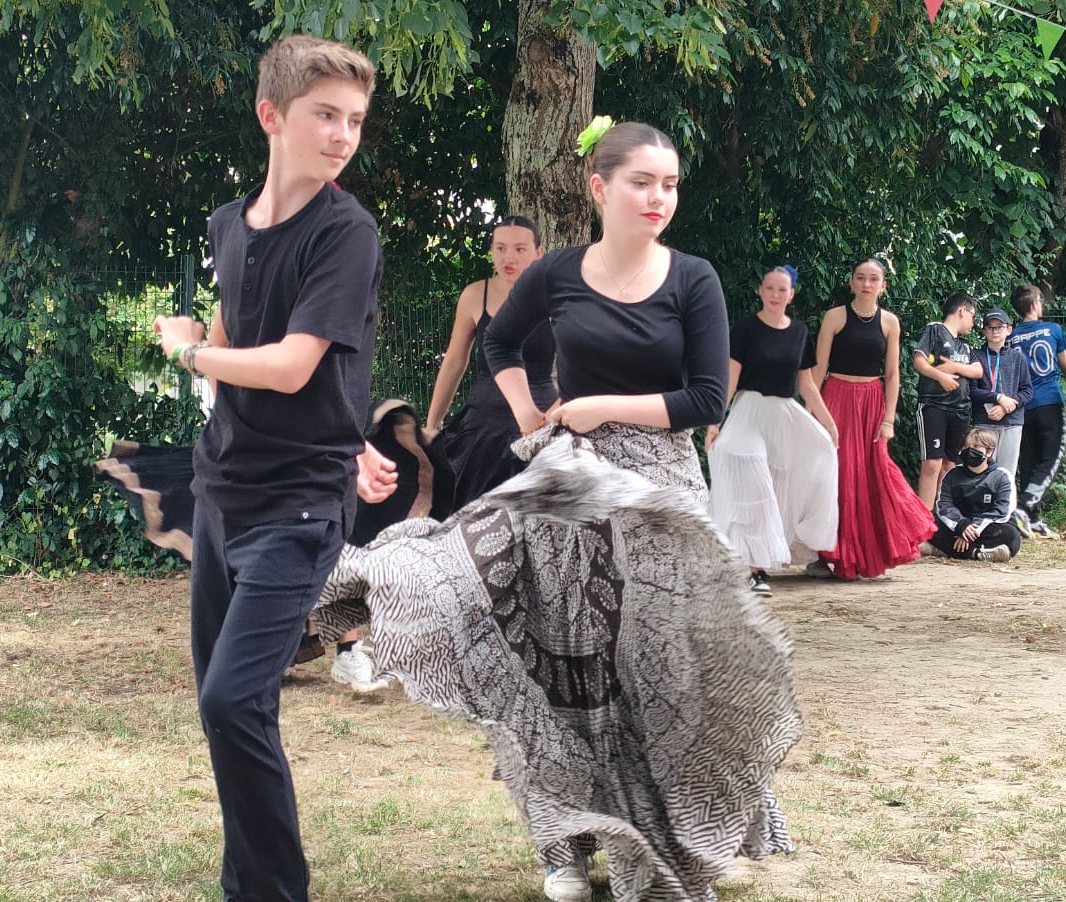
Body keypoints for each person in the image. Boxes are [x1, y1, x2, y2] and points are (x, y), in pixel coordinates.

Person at [314, 120, 800, 902]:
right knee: (557, 668)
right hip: (570, 482)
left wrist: (598, 406)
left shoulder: (693, 279)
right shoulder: (558, 273)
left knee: (662, 674)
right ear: (600, 187)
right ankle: (563, 848)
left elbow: (706, 398)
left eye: (670, 184)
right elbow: (500, 347)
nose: (660, 197)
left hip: (662, 490)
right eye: (642, 181)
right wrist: (531, 417)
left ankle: (681, 841)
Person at [148, 36, 399, 902]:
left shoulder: (346, 232)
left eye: (354, 120)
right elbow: (239, 347)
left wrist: (188, 355)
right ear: (272, 116)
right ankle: (248, 883)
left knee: (230, 700)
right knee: (231, 708)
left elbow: (291, 365)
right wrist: (203, 343)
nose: (343, 136)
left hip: (298, 506)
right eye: (325, 115)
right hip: (222, 490)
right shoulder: (229, 224)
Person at [706, 265, 839, 597]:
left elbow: (806, 383)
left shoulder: (800, 332)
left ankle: (760, 562)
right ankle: (754, 569)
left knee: (799, 470)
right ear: (761, 291)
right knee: (755, 478)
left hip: (783, 414)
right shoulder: (745, 329)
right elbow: (730, 379)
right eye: (770, 288)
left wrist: (827, 423)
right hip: (749, 412)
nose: (776, 295)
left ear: (791, 294)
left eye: (782, 289)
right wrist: (715, 422)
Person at [811, 258, 936, 580]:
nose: (866, 283)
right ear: (851, 282)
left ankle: (869, 556)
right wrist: (812, 411)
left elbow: (892, 375)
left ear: (883, 285)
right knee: (835, 474)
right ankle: (826, 554)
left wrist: (888, 419)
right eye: (860, 277)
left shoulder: (890, 322)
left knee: (873, 474)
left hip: (871, 403)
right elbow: (819, 367)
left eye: (873, 278)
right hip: (835, 399)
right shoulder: (834, 317)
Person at [423, 216, 553, 509]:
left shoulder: (557, 298)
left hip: (541, 422)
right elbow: (454, 361)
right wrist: (432, 426)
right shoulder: (474, 295)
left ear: (538, 253)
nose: (509, 257)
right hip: (482, 427)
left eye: (520, 249)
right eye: (501, 248)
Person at [1008, 285, 1066, 538]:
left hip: (1021, 406)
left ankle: (1032, 519)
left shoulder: (1010, 336)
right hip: (1049, 402)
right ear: (1035, 304)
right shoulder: (1053, 330)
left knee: (1029, 459)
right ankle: (1024, 508)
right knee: (1051, 457)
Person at [912, 292, 981, 509]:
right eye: (972, 316)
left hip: (960, 410)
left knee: (950, 464)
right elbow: (919, 361)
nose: (973, 323)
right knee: (932, 463)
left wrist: (954, 367)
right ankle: (925, 518)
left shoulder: (965, 345)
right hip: (934, 405)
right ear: (962, 311)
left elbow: (978, 371)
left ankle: (943, 513)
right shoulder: (935, 330)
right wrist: (940, 376)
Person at [922, 428, 1020, 563]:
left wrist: (972, 530)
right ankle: (977, 553)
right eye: (966, 446)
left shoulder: (1002, 476)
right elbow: (944, 506)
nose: (969, 450)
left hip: (986, 527)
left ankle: (945, 550)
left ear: (989, 452)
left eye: (976, 446)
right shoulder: (952, 474)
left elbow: (1002, 511)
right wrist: (961, 525)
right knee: (928, 526)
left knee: (1011, 536)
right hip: (958, 526)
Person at [970, 308, 1032, 496]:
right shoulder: (976, 356)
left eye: (999, 327)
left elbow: (1027, 390)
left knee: (1007, 473)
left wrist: (1008, 407)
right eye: (990, 327)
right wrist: (997, 398)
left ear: (1009, 329)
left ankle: (1004, 510)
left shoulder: (1018, 358)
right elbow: (972, 390)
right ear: (984, 331)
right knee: (982, 470)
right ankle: (983, 509)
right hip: (984, 422)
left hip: (1012, 423)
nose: (995, 331)